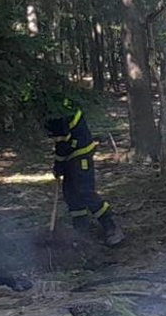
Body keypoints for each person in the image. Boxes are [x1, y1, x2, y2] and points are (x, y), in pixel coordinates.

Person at [45, 99, 124, 245]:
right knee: (71, 193)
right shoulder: (53, 106)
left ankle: (111, 226)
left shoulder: (58, 109)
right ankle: (81, 232)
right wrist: (60, 164)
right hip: (70, 153)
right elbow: (61, 142)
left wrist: (59, 164)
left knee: (84, 191)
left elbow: (62, 141)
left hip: (80, 154)